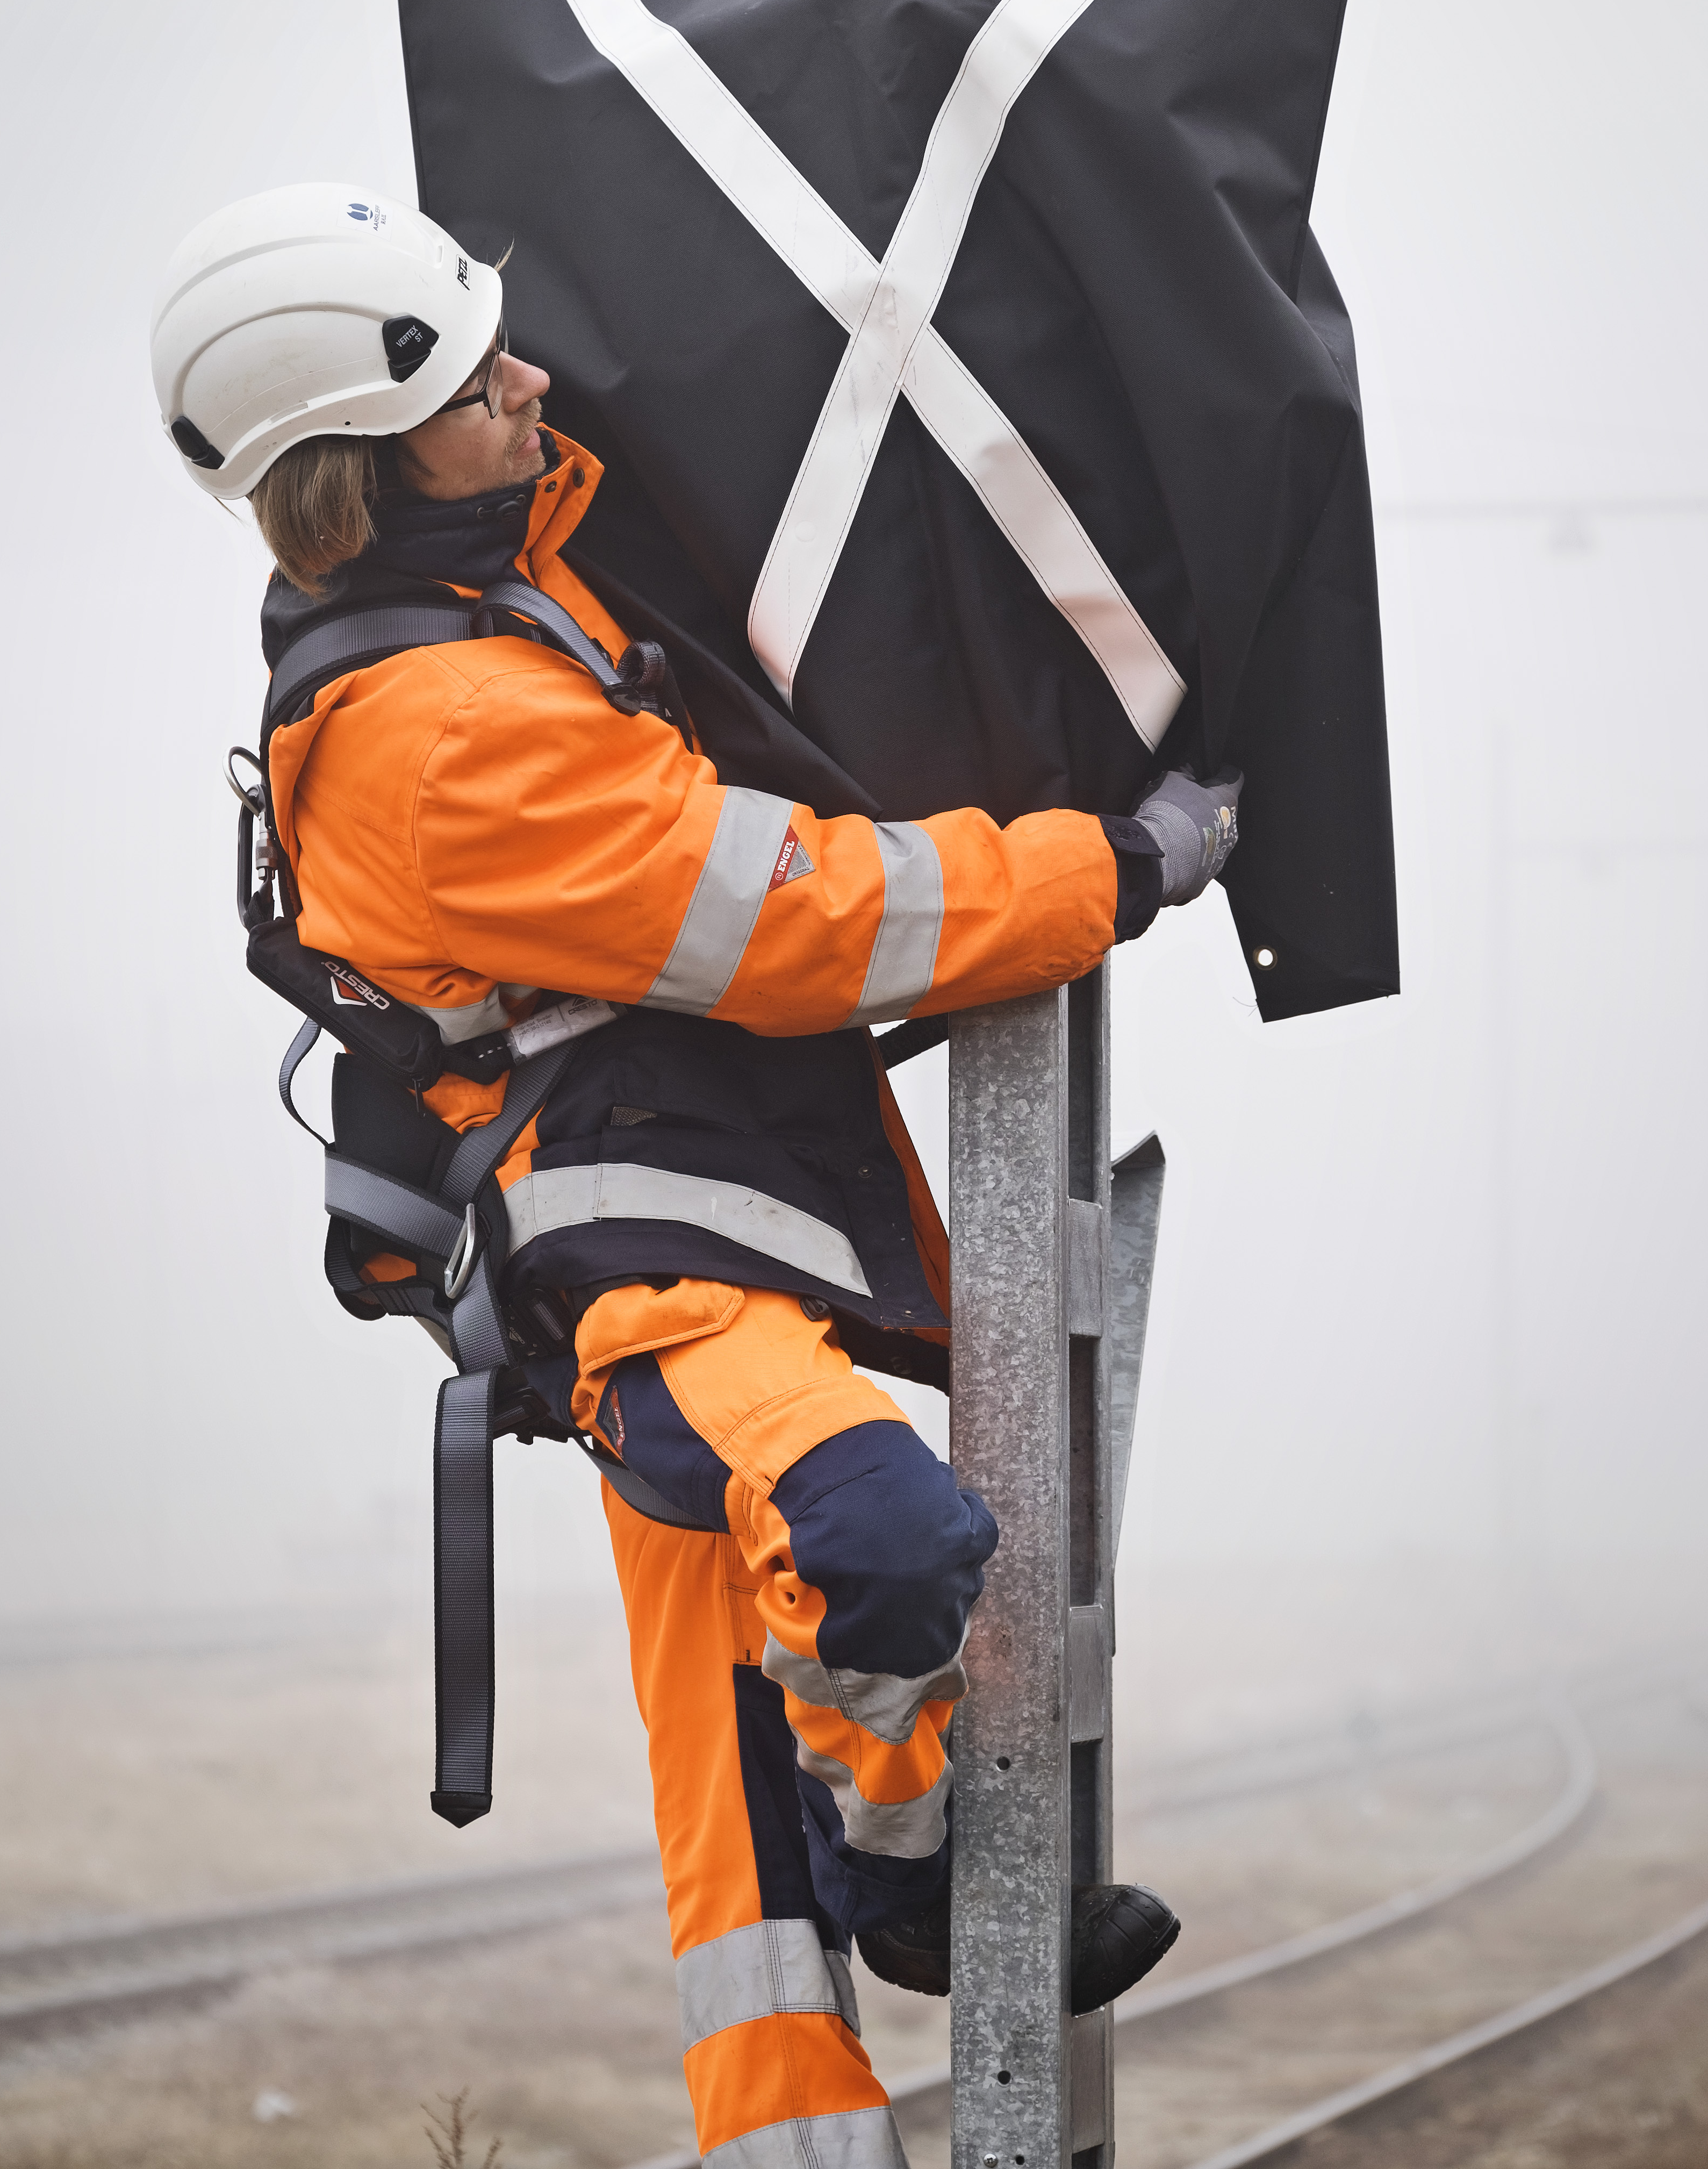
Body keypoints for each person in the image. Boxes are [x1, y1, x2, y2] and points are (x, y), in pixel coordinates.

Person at [154, 183, 1241, 2168]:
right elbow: (802, 915)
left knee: (736, 1839)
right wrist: (1117, 868)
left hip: (675, 1232)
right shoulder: (446, 733)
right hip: (651, 1261)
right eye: (477, 385)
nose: (531, 387)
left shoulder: (489, 609)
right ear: (365, 469)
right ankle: (911, 1872)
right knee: (871, 1533)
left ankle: (816, 2063)